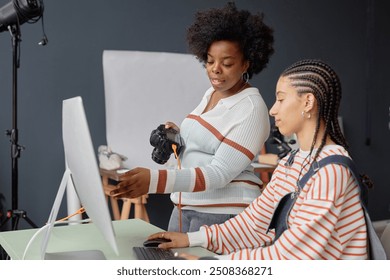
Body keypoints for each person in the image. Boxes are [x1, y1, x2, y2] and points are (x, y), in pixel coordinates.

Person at [148, 59, 369, 260]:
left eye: (281, 99)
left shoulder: (331, 171)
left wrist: (213, 264)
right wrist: (191, 239)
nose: (273, 110)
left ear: (308, 102)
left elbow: (290, 257)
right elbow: (254, 222)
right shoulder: (290, 163)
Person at [112, 2, 274, 232]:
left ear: (246, 63)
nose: (215, 69)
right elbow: (202, 149)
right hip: (186, 204)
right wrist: (178, 137)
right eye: (210, 61)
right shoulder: (212, 94)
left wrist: (153, 181)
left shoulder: (250, 108)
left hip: (223, 214)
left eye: (227, 63)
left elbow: (219, 174)